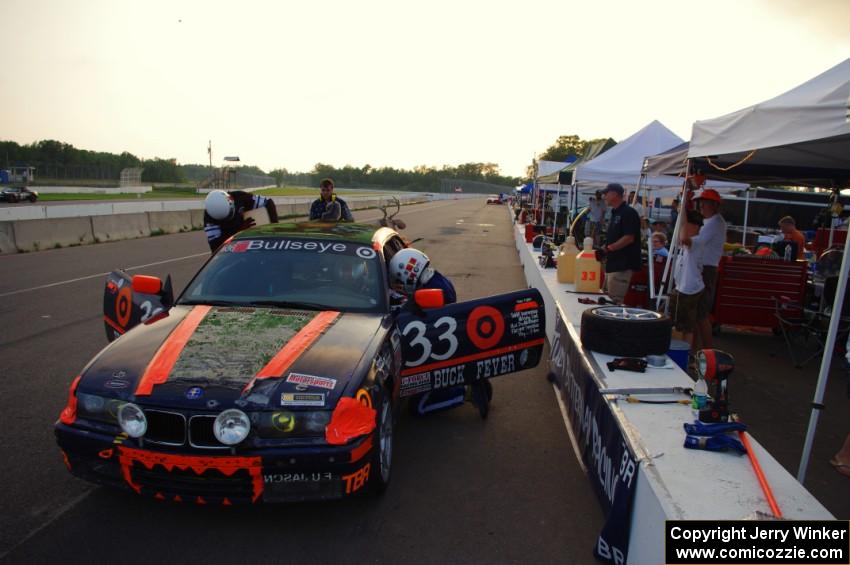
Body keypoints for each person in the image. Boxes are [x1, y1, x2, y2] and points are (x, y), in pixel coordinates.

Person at [389, 248, 491, 418]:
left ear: (408, 272)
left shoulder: (432, 290)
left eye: (400, 279)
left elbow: (411, 311)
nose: (400, 283)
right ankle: (469, 380)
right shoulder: (435, 279)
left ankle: (466, 392)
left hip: (435, 355)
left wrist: (404, 305)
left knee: (418, 408)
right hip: (443, 348)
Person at [683, 188, 727, 349]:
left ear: (714, 205)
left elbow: (694, 240)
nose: (702, 206)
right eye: (701, 202)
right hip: (702, 268)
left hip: (706, 269)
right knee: (696, 315)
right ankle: (696, 351)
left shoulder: (715, 223)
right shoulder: (711, 221)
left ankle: (707, 352)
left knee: (701, 314)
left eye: (705, 203)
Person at [596, 183, 642, 303]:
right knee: (607, 299)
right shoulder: (615, 213)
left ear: (615, 194)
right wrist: (603, 248)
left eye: (606, 193)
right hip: (613, 264)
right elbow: (615, 237)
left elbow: (629, 237)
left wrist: (609, 248)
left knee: (614, 301)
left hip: (622, 265)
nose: (604, 196)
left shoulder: (628, 212)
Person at [203, 189, 279, 252]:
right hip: (231, 250)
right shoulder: (209, 218)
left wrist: (275, 229)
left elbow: (269, 202)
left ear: (231, 200)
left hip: (251, 242)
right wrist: (239, 231)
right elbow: (215, 247)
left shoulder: (240, 197)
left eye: (229, 214)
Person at [671, 211, 705, 349]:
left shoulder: (697, 241)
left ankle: (684, 352)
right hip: (683, 287)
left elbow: (684, 239)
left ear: (695, 226)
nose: (683, 228)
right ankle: (682, 350)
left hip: (689, 289)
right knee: (680, 323)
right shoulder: (691, 242)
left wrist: (683, 220)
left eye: (686, 225)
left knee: (687, 326)